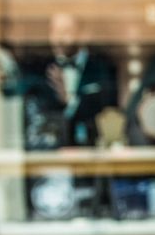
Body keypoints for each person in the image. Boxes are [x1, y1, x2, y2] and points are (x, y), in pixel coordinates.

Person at [20, 12, 119, 150]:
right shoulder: (38, 70)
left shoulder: (102, 67)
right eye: (54, 32)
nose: (59, 38)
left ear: (82, 34)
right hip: (52, 159)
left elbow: (109, 110)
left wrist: (69, 100)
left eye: (66, 31)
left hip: (94, 156)